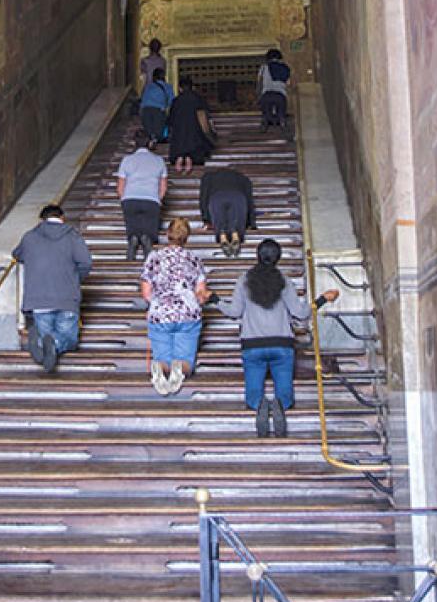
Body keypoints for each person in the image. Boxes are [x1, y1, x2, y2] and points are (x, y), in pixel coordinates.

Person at [207, 238, 339, 436]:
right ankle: (279, 405)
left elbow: (234, 312)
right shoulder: (284, 281)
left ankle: (259, 405)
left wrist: (214, 299)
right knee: (285, 392)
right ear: (278, 258)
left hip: (252, 344)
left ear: (257, 256)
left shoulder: (244, 280)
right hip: (282, 344)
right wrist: (322, 299)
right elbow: (301, 313)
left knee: (253, 393)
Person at [12, 204, 92, 374]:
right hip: (67, 298)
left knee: (45, 336)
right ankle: (53, 343)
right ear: (62, 218)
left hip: (38, 299)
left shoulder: (29, 237)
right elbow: (86, 263)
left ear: (42, 220)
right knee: (70, 340)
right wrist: (74, 279)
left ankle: (41, 343)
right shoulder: (73, 236)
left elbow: (17, 255)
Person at [140, 217, 209, 396]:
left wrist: (158, 303)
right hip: (188, 315)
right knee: (187, 361)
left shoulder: (154, 258)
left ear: (167, 234)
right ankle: (180, 367)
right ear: (187, 237)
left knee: (161, 357)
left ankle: (160, 367)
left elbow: (146, 293)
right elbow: (201, 295)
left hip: (160, 314)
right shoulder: (194, 259)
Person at [116, 130, 168, 260]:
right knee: (149, 227)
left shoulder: (127, 160)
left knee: (132, 224)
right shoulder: (159, 160)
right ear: (150, 143)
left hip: (130, 198)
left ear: (134, 143)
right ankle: (147, 240)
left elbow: (121, 185)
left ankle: (133, 239)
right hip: (151, 199)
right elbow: (163, 186)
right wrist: (158, 199)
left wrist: (123, 198)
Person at [199, 167, 256, 257]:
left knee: (218, 216)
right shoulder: (243, 178)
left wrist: (206, 220)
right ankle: (235, 233)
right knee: (236, 216)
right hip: (238, 196)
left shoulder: (209, 177)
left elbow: (203, 198)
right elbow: (250, 201)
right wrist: (251, 223)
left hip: (217, 196)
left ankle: (222, 235)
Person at [168, 76, 214, 174]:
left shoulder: (176, 101)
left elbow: (171, 118)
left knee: (180, 150)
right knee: (193, 149)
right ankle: (189, 161)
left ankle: (179, 161)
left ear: (180, 88)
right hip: (195, 133)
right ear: (192, 87)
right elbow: (205, 115)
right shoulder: (198, 99)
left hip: (179, 133)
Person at [139, 67, 174, 147]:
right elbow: (171, 101)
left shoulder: (148, 86)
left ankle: (151, 141)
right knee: (159, 131)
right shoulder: (168, 87)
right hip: (159, 111)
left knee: (149, 130)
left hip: (145, 110)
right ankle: (158, 142)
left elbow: (143, 98)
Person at [258, 47, 291, 130]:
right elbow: (288, 83)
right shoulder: (285, 68)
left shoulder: (263, 67)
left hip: (266, 94)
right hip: (280, 95)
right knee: (281, 113)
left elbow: (259, 81)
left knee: (266, 113)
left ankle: (265, 124)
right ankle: (282, 122)